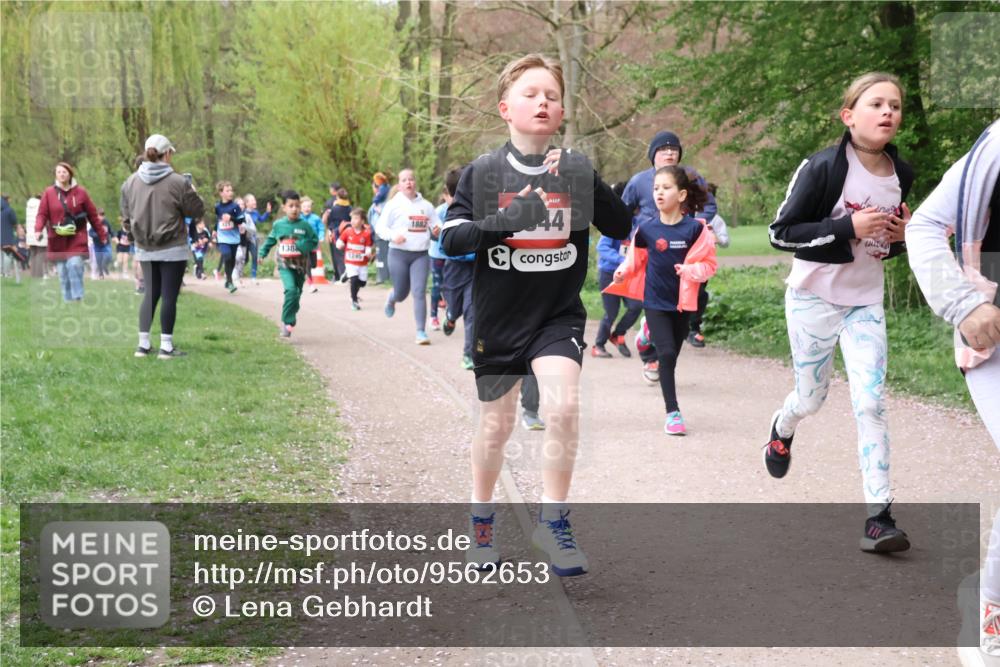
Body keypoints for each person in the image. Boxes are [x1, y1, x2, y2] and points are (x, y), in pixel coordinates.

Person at [440, 53, 631, 575]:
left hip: (556, 316)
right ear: (506, 108)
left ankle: (554, 522)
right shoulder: (483, 172)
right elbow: (452, 238)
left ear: (562, 111)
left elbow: (619, 225)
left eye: (551, 95)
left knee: (563, 407)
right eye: (530, 94)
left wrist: (585, 180)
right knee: (496, 428)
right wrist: (508, 220)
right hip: (499, 320)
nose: (542, 102)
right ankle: (482, 525)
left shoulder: (574, 169)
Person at [764, 72, 913, 552]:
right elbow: (780, 233)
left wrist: (900, 240)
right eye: (876, 104)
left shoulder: (901, 174)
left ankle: (879, 516)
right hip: (813, 299)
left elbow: (883, 247)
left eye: (895, 106)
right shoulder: (822, 167)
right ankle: (782, 427)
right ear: (850, 116)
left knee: (870, 401)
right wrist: (846, 224)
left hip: (865, 303)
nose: (888, 112)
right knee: (812, 399)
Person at [904, 120, 1000, 666]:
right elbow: (923, 228)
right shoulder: (993, 153)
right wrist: (964, 305)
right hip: (993, 334)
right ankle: (990, 611)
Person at [613, 166, 717, 435]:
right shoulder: (647, 229)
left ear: (681, 195)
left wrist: (691, 271)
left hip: (682, 304)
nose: (659, 192)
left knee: (673, 353)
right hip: (655, 301)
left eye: (666, 188)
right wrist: (623, 270)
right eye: (656, 188)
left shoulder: (695, 230)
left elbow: (709, 265)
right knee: (667, 354)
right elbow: (634, 258)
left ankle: (645, 337)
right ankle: (673, 413)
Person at [120, 134, 205, 358]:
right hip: (173, 247)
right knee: (169, 296)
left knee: (150, 294)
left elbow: (126, 217)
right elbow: (196, 212)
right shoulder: (179, 182)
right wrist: (194, 192)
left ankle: (143, 345)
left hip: (145, 248)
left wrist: (134, 236)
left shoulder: (130, 182)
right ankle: (166, 347)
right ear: (167, 154)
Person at [376, 169, 442, 345]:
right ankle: (392, 298)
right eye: (404, 180)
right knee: (401, 293)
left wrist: (437, 230)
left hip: (420, 255)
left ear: (415, 183)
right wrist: (393, 236)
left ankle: (421, 332)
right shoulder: (393, 205)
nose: (408, 183)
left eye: (411, 179)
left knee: (419, 292)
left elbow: (437, 227)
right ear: (399, 185)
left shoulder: (426, 206)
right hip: (398, 254)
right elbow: (380, 228)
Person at [34, 162, 105, 302]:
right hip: (57, 239)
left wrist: (101, 234)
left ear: (70, 174)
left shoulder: (81, 192)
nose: (62, 174)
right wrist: (38, 229)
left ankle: (77, 297)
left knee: (75, 264)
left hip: (76, 238)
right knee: (62, 273)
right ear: (56, 174)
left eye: (64, 172)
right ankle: (68, 301)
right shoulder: (49, 193)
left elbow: (93, 215)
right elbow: (42, 214)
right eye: (59, 172)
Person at [259, 190, 319, 337]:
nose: (295, 209)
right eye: (291, 206)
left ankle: (290, 318)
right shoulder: (279, 225)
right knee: (291, 291)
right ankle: (287, 321)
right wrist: (262, 253)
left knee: (297, 294)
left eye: (297, 206)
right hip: (284, 264)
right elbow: (271, 240)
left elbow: (314, 240)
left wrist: (302, 245)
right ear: (284, 208)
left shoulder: (305, 225)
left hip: (300, 265)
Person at [593, 183, 643, 358]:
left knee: (636, 306)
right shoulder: (615, 223)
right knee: (611, 312)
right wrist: (625, 260)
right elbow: (603, 248)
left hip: (629, 275)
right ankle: (598, 345)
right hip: (609, 273)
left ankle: (617, 334)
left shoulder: (639, 225)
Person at [438, 167, 478, 369]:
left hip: (475, 271)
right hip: (454, 270)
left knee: (472, 312)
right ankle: (451, 317)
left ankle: (468, 355)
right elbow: (443, 247)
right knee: (454, 307)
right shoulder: (448, 212)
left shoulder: (481, 210)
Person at [686, 182, 732, 348]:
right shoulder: (685, 213)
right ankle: (678, 327)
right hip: (682, 261)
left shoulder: (716, 219)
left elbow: (726, 242)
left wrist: (714, 237)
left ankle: (693, 329)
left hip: (703, 263)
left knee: (699, 295)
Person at [336, 207, 374, 310]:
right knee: (354, 280)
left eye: (356, 218)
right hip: (350, 261)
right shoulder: (348, 231)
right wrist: (339, 245)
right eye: (352, 218)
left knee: (362, 283)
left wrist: (368, 253)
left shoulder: (366, 234)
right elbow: (339, 242)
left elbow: (368, 247)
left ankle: (347, 275)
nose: (353, 221)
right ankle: (354, 301)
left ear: (362, 221)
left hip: (362, 262)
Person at [213, 181, 244, 293]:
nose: (231, 192)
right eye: (227, 190)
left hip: (234, 238)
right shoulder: (217, 207)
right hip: (223, 238)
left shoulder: (235, 207)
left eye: (231, 190)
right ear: (221, 193)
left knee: (231, 261)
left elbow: (241, 219)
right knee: (227, 256)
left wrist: (231, 218)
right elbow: (218, 220)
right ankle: (230, 281)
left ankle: (228, 280)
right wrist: (214, 230)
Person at [323, 184, 352, 281]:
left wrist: (329, 231)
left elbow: (329, 221)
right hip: (347, 232)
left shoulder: (334, 208)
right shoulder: (350, 208)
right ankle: (348, 274)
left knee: (337, 255)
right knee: (345, 254)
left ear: (337, 196)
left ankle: (340, 276)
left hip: (336, 233)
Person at [370, 173, 391, 284]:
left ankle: (383, 277)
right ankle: (382, 276)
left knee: (383, 255)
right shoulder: (386, 190)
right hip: (378, 232)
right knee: (381, 255)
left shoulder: (382, 201)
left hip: (382, 232)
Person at [242, 193, 269, 283]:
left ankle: (253, 277)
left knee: (254, 257)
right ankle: (236, 273)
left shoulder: (255, 212)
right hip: (244, 239)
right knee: (244, 259)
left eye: (255, 200)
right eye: (252, 200)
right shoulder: (243, 213)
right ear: (246, 203)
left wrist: (267, 212)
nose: (255, 201)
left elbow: (261, 219)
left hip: (253, 239)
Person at [300, 197, 324, 292]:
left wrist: (321, 236)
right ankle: (311, 285)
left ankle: (303, 272)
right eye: (305, 206)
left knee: (314, 265)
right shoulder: (298, 218)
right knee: (308, 265)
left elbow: (321, 228)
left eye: (309, 206)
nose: (307, 208)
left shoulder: (316, 218)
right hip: (303, 244)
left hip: (313, 244)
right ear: (301, 208)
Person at [1, 195, 28, 282]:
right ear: (8, 200)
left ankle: (2, 272)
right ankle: (7, 273)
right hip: (7, 237)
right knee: (9, 254)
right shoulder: (9, 210)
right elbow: (15, 222)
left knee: (2, 254)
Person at [25, 194, 47, 278]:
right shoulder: (41, 205)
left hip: (30, 234)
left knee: (33, 253)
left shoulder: (29, 207)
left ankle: (33, 274)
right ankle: (39, 274)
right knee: (40, 253)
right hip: (39, 232)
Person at [89, 209, 114, 279]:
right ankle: (101, 274)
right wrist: (98, 235)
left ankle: (105, 267)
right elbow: (90, 233)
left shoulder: (106, 222)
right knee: (99, 260)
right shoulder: (94, 223)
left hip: (106, 244)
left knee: (108, 256)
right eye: (99, 215)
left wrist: (114, 236)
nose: (101, 217)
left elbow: (111, 231)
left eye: (102, 215)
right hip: (97, 245)